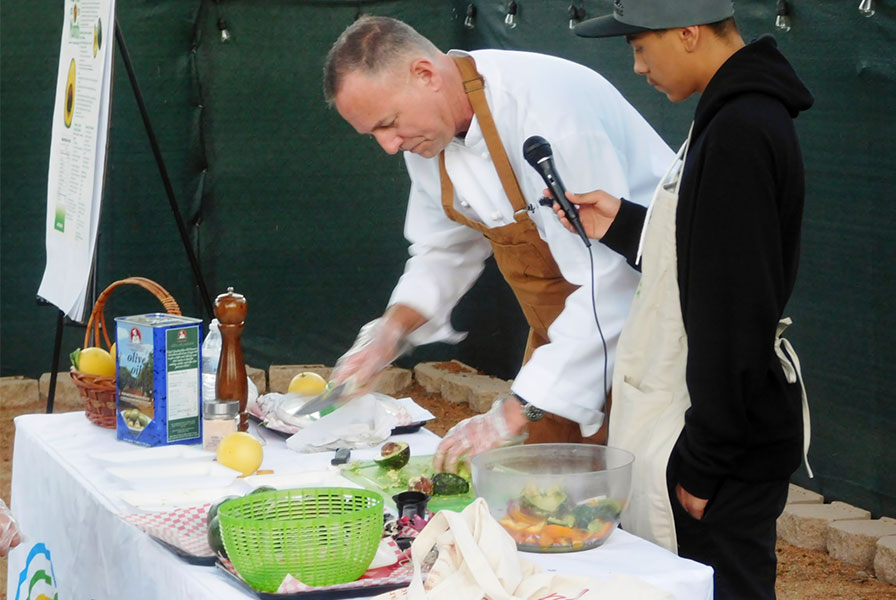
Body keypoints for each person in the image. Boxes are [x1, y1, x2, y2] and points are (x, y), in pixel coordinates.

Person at [321, 16, 673, 472]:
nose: (389, 146)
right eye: (375, 134)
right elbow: (443, 249)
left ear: (425, 74)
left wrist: (513, 411)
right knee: (541, 496)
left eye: (389, 124)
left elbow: (611, 284)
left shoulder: (547, 115)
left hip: (651, 326)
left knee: (641, 495)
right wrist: (389, 333)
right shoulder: (431, 135)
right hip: (562, 336)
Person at [562, 2, 813, 598]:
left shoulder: (741, 129)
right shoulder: (731, 115)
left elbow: (734, 311)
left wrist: (705, 461)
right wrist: (624, 224)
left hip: (723, 448)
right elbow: (709, 257)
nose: (638, 67)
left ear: (689, 33)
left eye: (641, 48)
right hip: (721, 436)